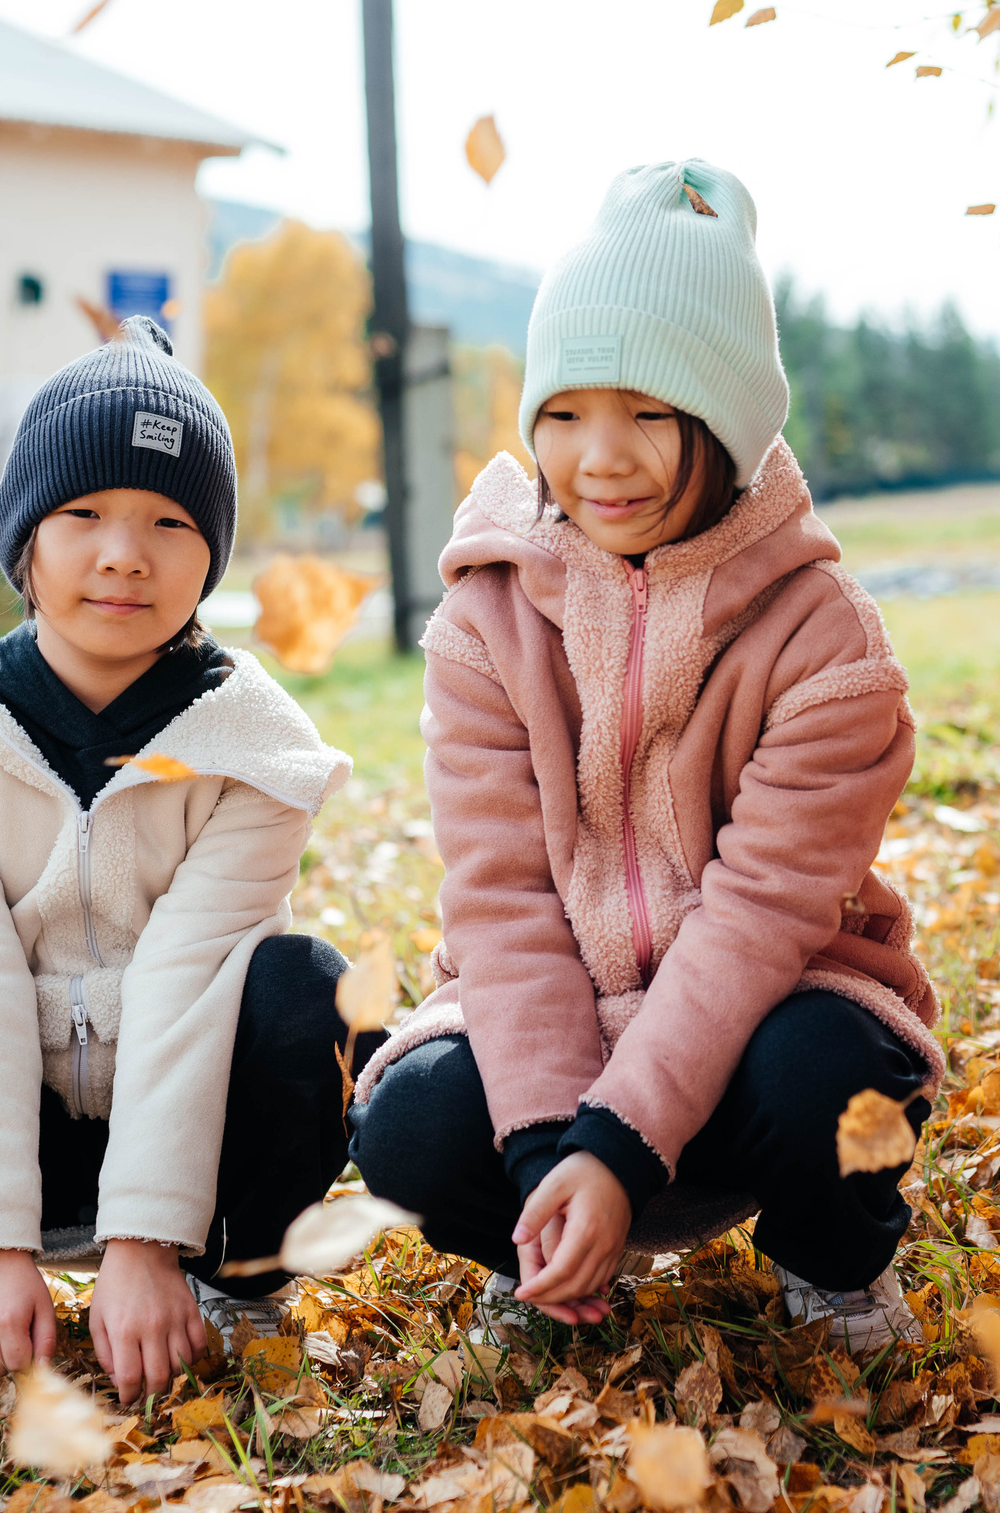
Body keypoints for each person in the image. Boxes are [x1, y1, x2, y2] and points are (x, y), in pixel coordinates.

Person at [350, 160, 941, 1350]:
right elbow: (502, 899)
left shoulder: (822, 634)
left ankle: (830, 1264)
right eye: (564, 412)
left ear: (725, 423)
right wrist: (543, 1150)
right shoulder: (486, 620)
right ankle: (554, 1247)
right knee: (406, 1121)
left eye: (650, 412)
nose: (601, 458)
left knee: (835, 1073)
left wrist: (623, 1144)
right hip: (554, 1050)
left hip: (760, 1028)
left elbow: (758, 918)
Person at [0, 318, 368, 1404]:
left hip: (194, 1127)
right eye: (82, 514)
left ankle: (228, 1273)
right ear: (25, 542)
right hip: (0, 1122)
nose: (123, 552)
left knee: (306, 992)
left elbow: (193, 979)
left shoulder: (253, 749)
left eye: (169, 521)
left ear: (211, 553)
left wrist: (141, 1238)